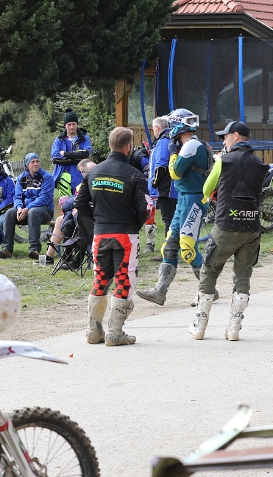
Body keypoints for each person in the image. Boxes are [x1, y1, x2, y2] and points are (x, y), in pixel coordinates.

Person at [191, 121, 269, 341]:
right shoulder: (260, 164)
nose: (223, 141)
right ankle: (234, 327)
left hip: (226, 225)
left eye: (225, 137)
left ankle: (200, 325)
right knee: (243, 274)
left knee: (209, 269)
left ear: (235, 136)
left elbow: (207, 189)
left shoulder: (223, 161)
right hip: (251, 227)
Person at [75, 127, 148, 346]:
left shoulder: (93, 172)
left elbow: (79, 203)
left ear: (109, 145)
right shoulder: (135, 174)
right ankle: (115, 332)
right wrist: (134, 225)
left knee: (100, 278)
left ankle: (93, 330)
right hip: (125, 234)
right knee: (124, 279)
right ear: (129, 147)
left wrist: (97, 221)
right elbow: (145, 209)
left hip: (100, 234)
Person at [137, 108, 210, 306]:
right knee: (169, 245)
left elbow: (175, 172)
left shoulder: (192, 145)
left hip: (193, 200)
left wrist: (172, 154)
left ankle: (208, 290)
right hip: (185, 199)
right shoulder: (189, 144)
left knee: (187, 247)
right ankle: (160, 291)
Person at [5, 153, 55, 260]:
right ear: (27, 165)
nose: (36, 164)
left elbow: (44, 198)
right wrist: (19, 208)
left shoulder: (47, 177)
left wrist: (27, 208)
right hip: (25, 210)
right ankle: (7, 249)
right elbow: (17, 196)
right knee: (9, 213)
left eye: (37, 161)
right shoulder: (21, 178)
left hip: (45, 210)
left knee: (33, 212)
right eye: (33, 162)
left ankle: (34, 249)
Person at [148, 116, 178, 258]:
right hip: (173, 187)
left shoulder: (162, 141)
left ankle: (168, 252)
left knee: (168, 220)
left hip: (166, 188)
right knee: (173, 219)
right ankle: (173, 249)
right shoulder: (172, 139)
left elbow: (161, 166)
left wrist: (154, 183)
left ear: (157, 128)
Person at [51, 112, 92, 200]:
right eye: (69, 124)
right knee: (65, 202)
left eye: (74, 124)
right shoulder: (59, 140)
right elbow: (55, 159)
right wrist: (77, 158)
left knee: (80, 201)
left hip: (80, 175)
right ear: (65, 126)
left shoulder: (84, 138)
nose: (72, 127)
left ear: (77, 124)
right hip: (63, 177)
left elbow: (86, 154)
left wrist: (65, 154)